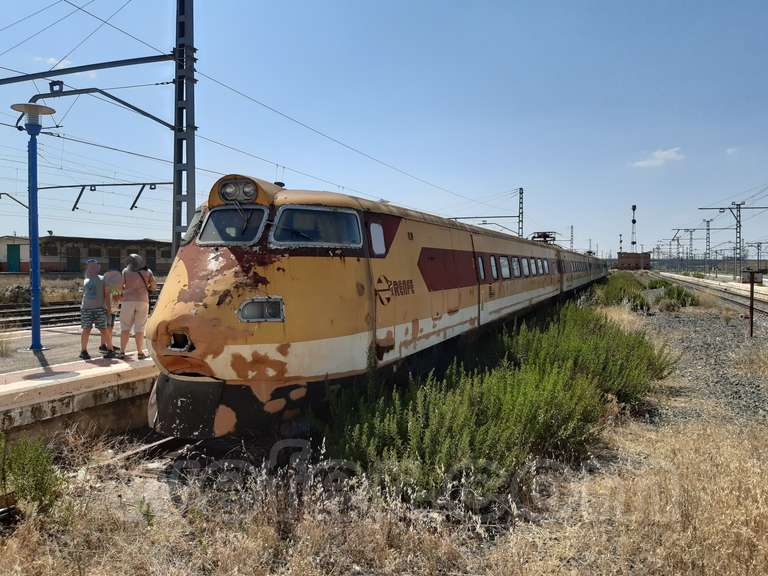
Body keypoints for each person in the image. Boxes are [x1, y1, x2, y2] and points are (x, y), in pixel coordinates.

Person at [119, 253, 157, 359]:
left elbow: (119, 287)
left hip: (128, 302)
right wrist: (147, 286)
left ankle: (122, 352)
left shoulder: (125, 271)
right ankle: (140, 353)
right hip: (143, 301)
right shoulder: (148, 272)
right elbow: (153, 287)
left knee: (125, 327)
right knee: (140, 328)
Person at [80, 259, 115, 360]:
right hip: (86, 309)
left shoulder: (103, 279)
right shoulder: (85, 279)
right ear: (87, 268)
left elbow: (107, 295)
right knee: (86, 329)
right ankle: (83, 351)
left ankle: (110, 350)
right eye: (90, 267)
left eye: (94, 267)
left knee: (103, 330)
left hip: (99, 309)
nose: (92, 269)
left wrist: (109, 308)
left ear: (98, 268)